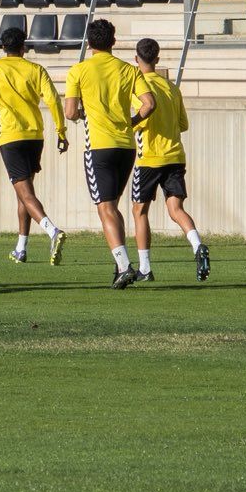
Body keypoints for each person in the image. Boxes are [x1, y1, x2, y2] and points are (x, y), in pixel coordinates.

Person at [0, 26, 67, 265]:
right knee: (24, 193)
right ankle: (21, 248)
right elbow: (53, 99)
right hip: (35, 136)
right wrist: (61, 130)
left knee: (24, 192)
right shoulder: (36, 69)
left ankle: (52, 231)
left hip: (11, 136)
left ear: (3, 48)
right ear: (23, 47)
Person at [64, 18, 145, 289]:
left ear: (89, 43)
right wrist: (132, 122)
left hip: (99, 145)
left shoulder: (79, 71)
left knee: (105, 207)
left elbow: (70, 112)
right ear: (113, 41)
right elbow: (149, 103)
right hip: (126, 145)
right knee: (113, 206)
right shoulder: (127, 70)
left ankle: (124, 265)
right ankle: (119, 263)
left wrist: (83, 114)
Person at [129, 38, 209, 282]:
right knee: (176, 209)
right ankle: (197, 245)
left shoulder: (137, 88)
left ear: (136, 59)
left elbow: (139, 116)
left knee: (139, 211)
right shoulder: (172, 88)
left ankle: (145, 267)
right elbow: (183, 124)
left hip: (149, 158)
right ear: (158, 59)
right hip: (175, 156)